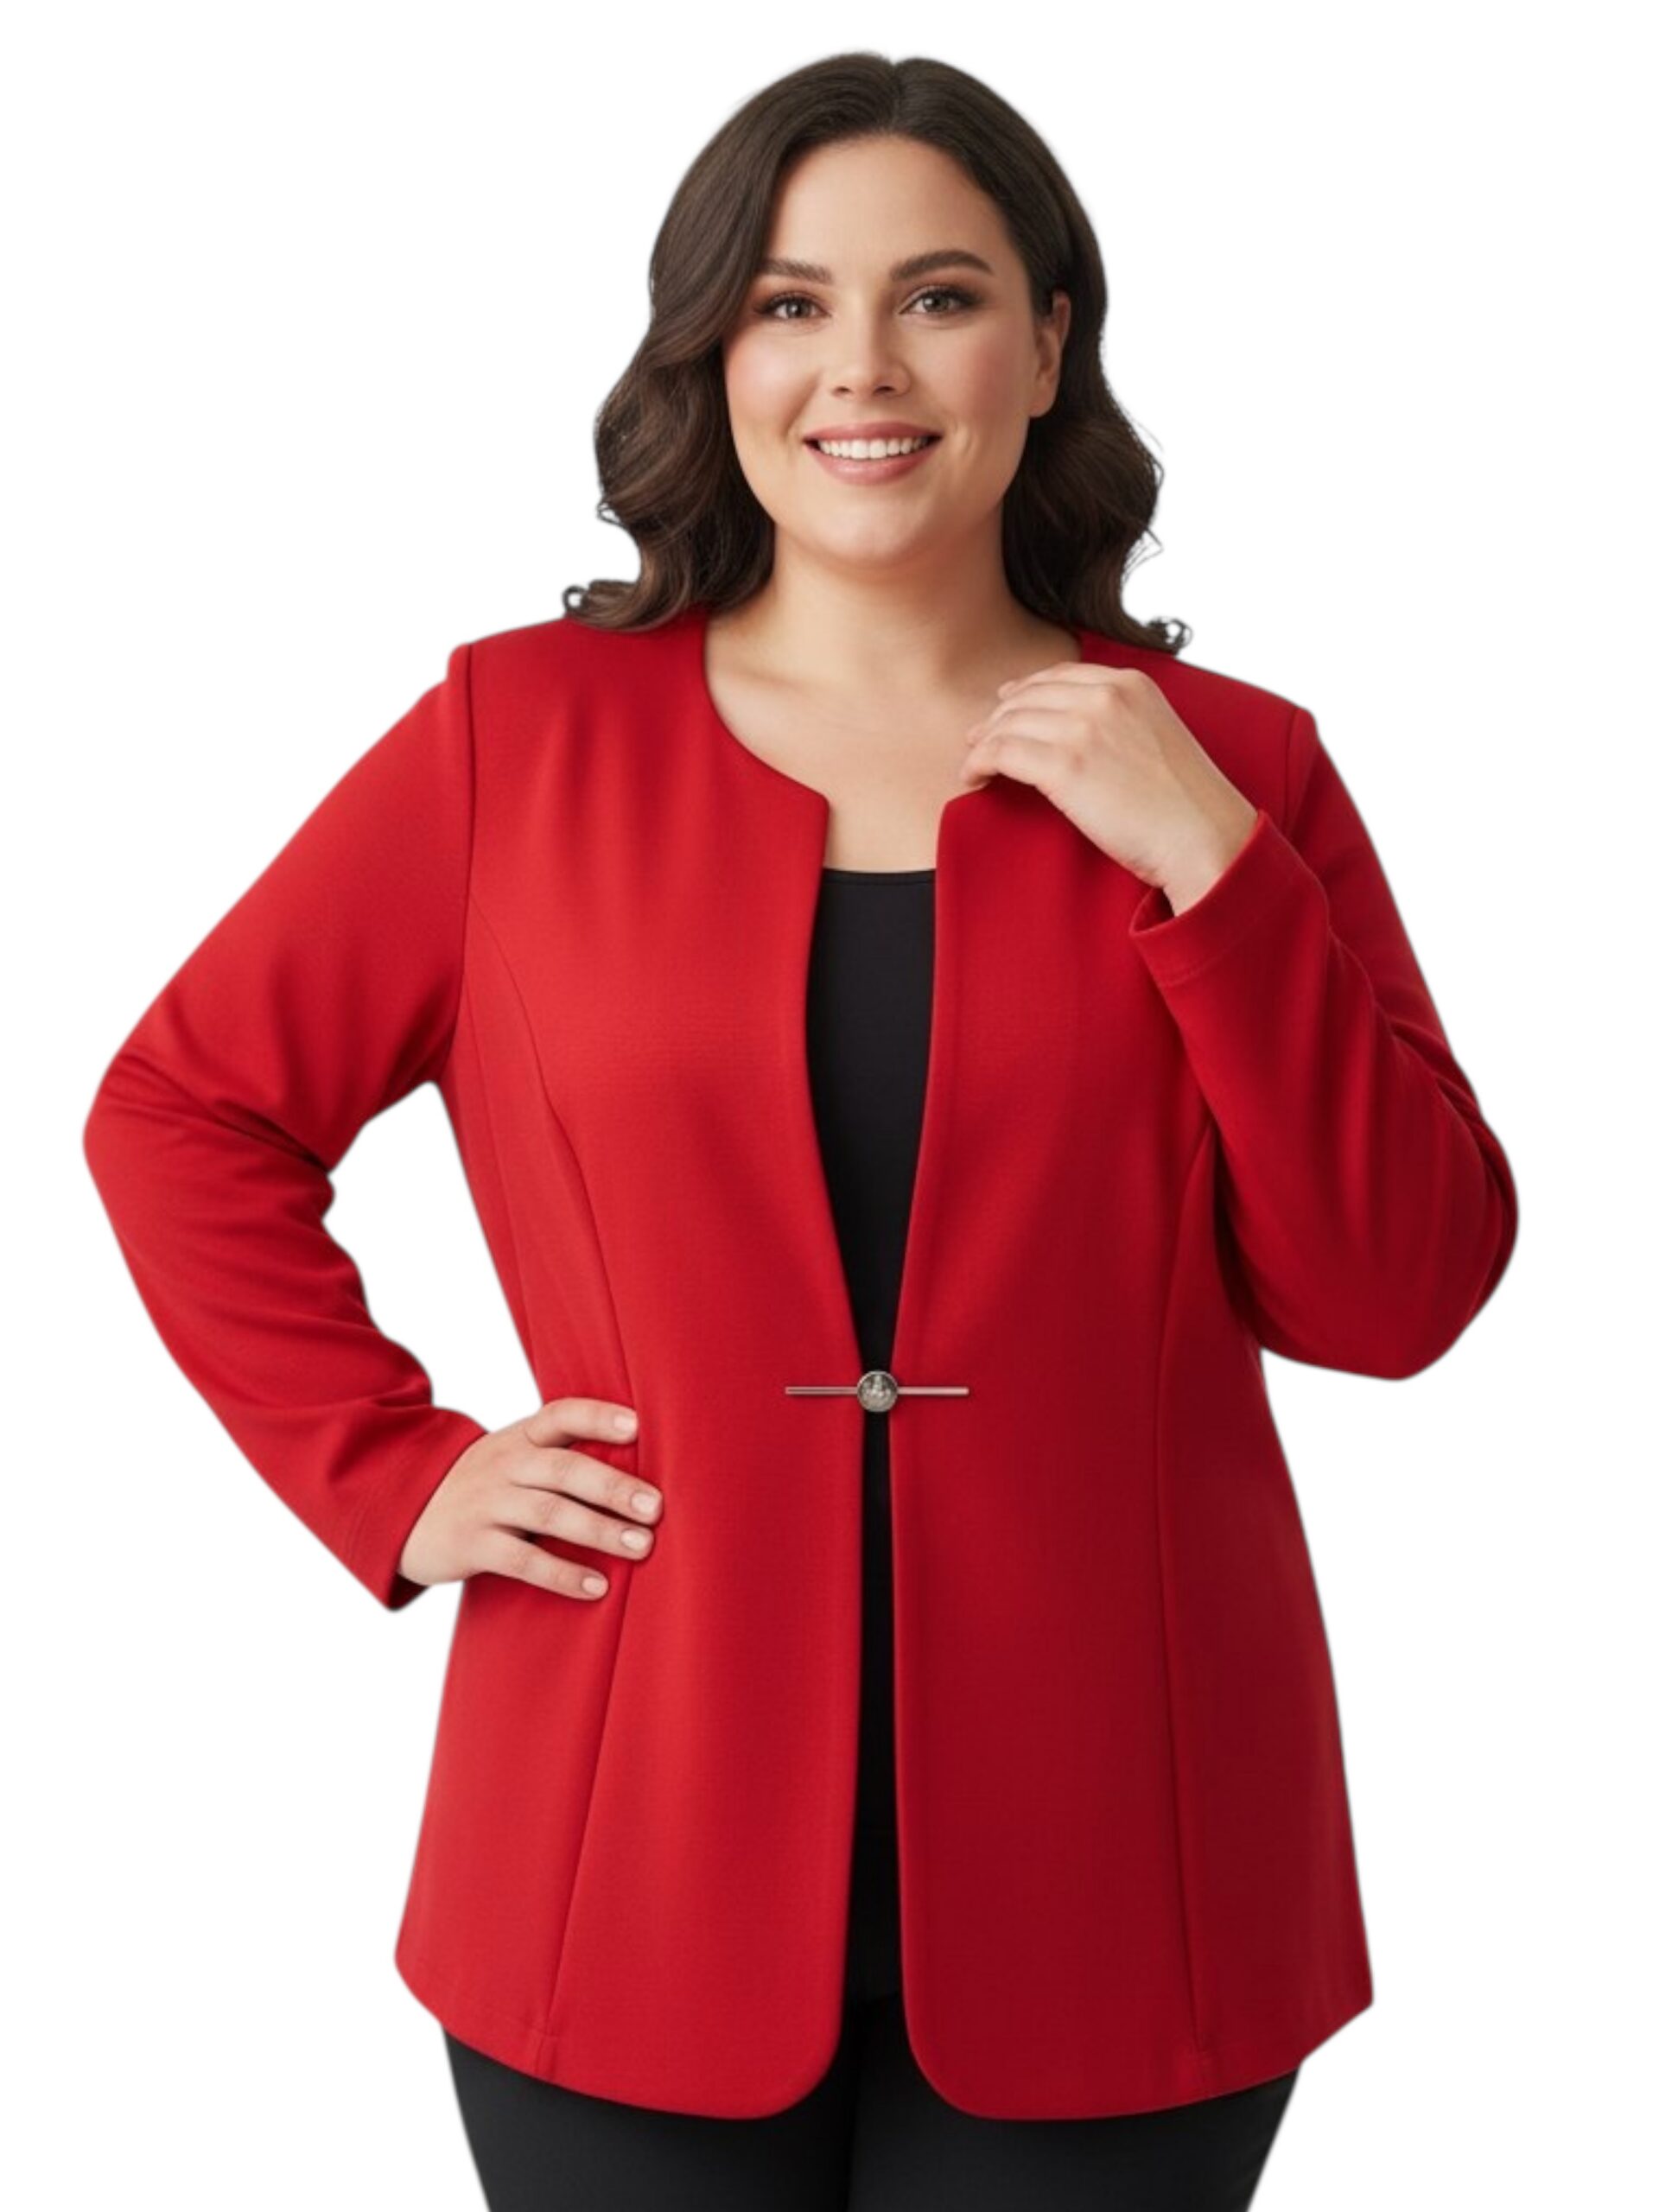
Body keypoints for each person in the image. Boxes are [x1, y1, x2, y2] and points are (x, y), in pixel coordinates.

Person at [82, 50, 1518, 2211]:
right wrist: (390, 1468)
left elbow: (1395, 1296)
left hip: (1135, 1857)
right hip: (620, 1836)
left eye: (940, 296)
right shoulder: (510, 740)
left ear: (1050, 343)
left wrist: (1215, 870)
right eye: (787, 302)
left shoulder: (1237, 766)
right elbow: (184, 1105)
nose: (864, 365)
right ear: (713, 353)